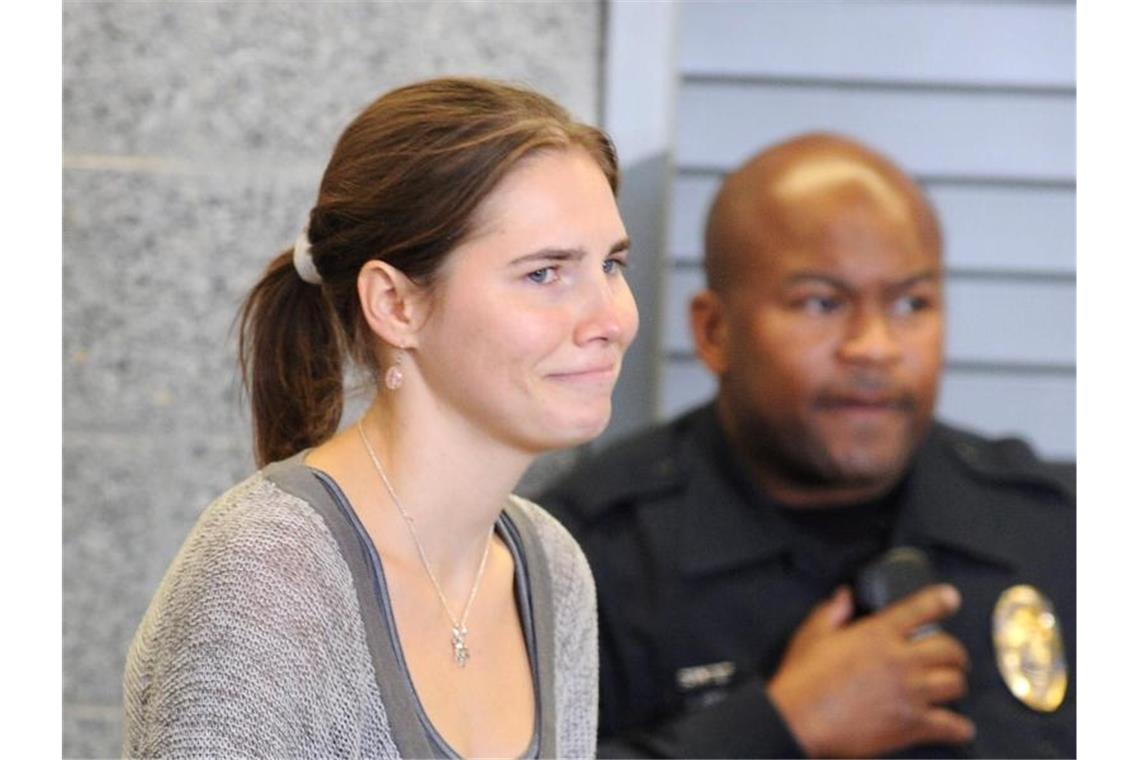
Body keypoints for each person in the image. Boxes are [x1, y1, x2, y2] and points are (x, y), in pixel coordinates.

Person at [122, 77, 639, 759]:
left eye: (612, 264)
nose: (611, 319)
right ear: (396, 306)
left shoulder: (550, 566)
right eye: (545, 274)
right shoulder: (267, 575)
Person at [541, 133, 1075, 758]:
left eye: (911, 303)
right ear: (714, 332)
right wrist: (775, 728)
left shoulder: (1051, 528)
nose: (875, 346)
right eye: (822, 302)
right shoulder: (584, 561)